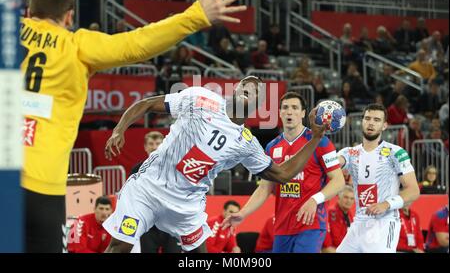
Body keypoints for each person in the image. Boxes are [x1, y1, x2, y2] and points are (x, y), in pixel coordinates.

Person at [20, 0, 246, 253]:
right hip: (42, 185)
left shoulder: (9, 34)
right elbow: (136, 44)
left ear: (29, 13)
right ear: (69, 17)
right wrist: (196, 15)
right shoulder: (76, 45)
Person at [102, 78, 328, 253]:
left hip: (186, 207)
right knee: (120, 246)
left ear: (258, 104)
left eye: (257, 90)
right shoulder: (200, 98)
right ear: (236, 89)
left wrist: (315, 138)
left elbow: (282, 174)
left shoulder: (247, 143)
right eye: (246, 84)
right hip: (148, 188)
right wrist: (119, 129)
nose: (251, 87)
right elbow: (149, 103)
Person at [222, 92, 345, 253]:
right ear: (279, 112)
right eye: (285, 108)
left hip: (311, 223)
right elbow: (265, 188)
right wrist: (243, 213)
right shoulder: (272, 147)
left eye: (295, 108)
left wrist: (315, 200)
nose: (289, 111)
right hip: (282, 226)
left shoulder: (320, 141)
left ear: (302, 114)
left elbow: (338, 181)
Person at [336, 103, 420, 253]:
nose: (371, 123)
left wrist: (386, 204)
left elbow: (413, 190)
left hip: (385, 222)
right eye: (367, 118)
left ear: (384, 126)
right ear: (362, 122)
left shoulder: (396, 152)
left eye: (376, 120)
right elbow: (330, 165)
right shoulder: (349, 153)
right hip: (359, 222)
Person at [129, 131, 181, 253]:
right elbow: (132, 195)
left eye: (158, 143)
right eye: (151, 144)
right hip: (148, 225)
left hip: (171, 223)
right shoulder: (137, 169)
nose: (154, 147)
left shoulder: (175, 167)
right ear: (145, 147)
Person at [322, 186, 355, 253]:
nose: (349, 201)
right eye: (346, 197)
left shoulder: (350, 216)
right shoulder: (330, 213)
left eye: (352, 198)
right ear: (339, 198)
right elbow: (326, 247)